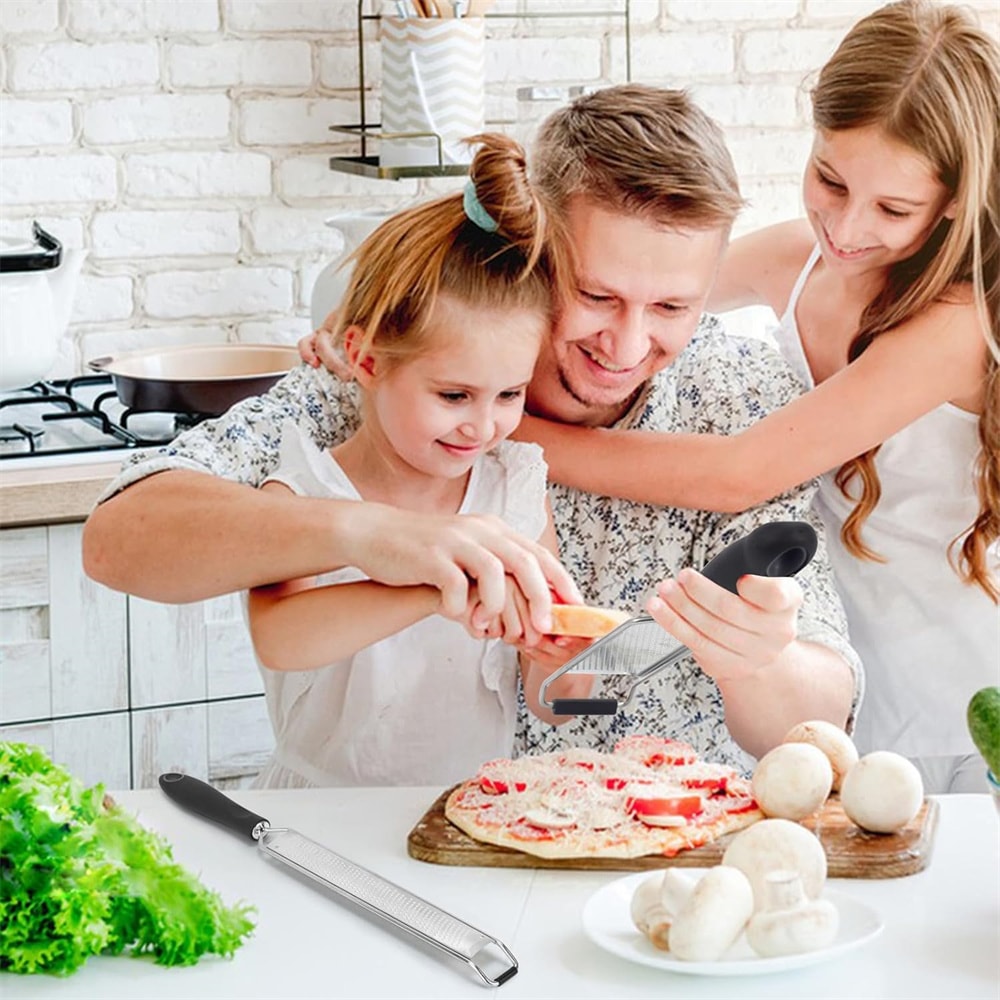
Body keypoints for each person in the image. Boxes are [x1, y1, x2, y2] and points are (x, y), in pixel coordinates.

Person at [84, 85, 861, 776]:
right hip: (384, 831)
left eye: (671, 308)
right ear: (529, 255)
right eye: (595, 296)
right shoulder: (392, 375)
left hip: (655, 845)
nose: (626, 347)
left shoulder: (740, 402)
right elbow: (119, 540)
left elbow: (816, 718)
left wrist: (756, 660)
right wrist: (372, 535)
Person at [478, 1, 999, 792]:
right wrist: (411, 327)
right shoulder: (798, 256)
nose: (846, 227)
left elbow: (738, 475)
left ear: (955, 200)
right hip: (824, 656)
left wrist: (500, 425)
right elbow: (649, 284)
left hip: (953, 692)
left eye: (894, 209)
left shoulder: (957, 323)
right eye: (830, 180)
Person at [244, 135, 593, 787]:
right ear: (366, 359)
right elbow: (279, 640)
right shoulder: (306, 489)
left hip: (468, 811)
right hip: (319, 813)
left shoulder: (514, 489)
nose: (483, 425)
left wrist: (562, 663)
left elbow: (557, 709)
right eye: (454, 395)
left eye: (509, 395)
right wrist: (436, 588)